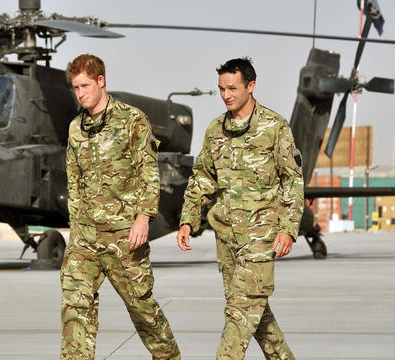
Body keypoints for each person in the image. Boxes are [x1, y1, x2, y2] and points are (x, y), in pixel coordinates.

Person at [177, 58, 303, 359]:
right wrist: (187, 220)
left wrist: (288, 229)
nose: (226, 95)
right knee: (257, 317)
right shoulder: (215, 130)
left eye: (232, 88)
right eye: (221, 89)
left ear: (251, 86)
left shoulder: (274, 127)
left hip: (261, 237)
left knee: (240, 313)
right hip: (227, 239)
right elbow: (203, 178)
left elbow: (293, 180)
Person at [61, 54, 180, 360]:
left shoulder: (132, 120)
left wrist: (143, 218)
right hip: (85, 236)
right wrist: (76, 230)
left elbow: (148, 172)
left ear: (101, 82)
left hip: (124, 235)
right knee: (75, 306)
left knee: (142, 307)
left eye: (85, 85)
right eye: (76, 88)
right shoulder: (76, 128)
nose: (81, 93)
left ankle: (168, 356)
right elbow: (74, 180)